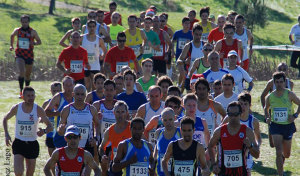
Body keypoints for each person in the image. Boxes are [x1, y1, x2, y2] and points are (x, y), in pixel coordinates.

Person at [3, 86, 53, 176]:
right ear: (23, 96)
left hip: (32, 144)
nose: (31, 98)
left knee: (29, 173)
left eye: (32, 96)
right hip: (19, 142)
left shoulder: (38, 109)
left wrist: (44, 131)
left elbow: (50, 126)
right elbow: (5, 119)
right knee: (18, 172)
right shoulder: (17, 108)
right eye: (28, 96)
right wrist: (6, 134)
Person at [58, 84, 100, 175]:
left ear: (86, 95)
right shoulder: (67, 109)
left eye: (82, 94)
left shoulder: (91, 109)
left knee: (86, 174)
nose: (80, 97)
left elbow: (97, 124)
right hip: (72, 146)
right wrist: (61, 130)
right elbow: (60, 129)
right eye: (77, 94)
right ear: (73, 94)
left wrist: (96, 138)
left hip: (88, 146)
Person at [208, 101, 260, 176]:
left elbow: (257, 155)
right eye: (230, 115)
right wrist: (213, 164)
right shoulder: (219, 131)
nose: (233, 117)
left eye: (235, 115)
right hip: (223, 172)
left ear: (240, 114)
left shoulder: (247, 131)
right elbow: (210, 146)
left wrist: (250, 147)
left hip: (241, 172)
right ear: (227, 115)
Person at [264, 72, 300, 176]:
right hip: (276, 126)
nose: (279, 84)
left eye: (281, 82)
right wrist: (267, 117)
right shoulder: (270, 97)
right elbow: (265, 108)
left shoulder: (289, 94)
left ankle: (283, 159)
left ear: (285, 82)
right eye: (277, 82)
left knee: (287, 154)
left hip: (288, 126)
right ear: (274, 83)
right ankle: (280, 174)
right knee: (278, 151)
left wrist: (295, 115)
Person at [222, 92, 262, 175]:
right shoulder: (229, 118)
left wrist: (255, 147)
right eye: (241, 104)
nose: (243, 107)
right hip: (231, 153)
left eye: (245, 104)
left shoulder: (254, 121)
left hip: (247, 156)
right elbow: (221, 133)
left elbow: (258, 137)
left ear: (250, 105)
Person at [261, 63, 294, 148]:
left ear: (287, 71)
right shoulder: (271, 83)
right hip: (273, 114)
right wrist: (266, 111)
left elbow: (291, 98)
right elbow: (262, 96)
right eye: (280, 69)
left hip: (286, 115)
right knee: (272, 144)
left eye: (284, 69)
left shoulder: (290, 83)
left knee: (281, 142)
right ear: (276, 70)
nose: (282, 71)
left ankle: (281, 153)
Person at [10, 14, 42, 98]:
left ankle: (26, 91)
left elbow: (39, 41)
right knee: (22, 71)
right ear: (21, 22)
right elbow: (12, 35)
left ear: (28, 22)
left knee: (27, 75)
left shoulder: (32, 31)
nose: (24, 24)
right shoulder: (18, 30)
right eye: (23, 22)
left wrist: (34, 43)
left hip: (29, 55)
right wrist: (11, 46)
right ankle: (21, 91)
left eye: (26, 22)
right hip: (19, 54)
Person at [99, 101, 132, 175]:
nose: (120, 115)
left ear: (126, 113)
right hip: (116, 165)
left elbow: (144, 143)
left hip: (131, 163)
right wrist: (103, 156)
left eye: (122, 112)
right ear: (114, 113)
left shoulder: (132, 128)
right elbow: (101, 147)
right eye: (118, 112)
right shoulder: (109, 130)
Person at [45, 76, 74, 148]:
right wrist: (58, 113)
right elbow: (46, 112)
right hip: (60, 133)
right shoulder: (59, 97)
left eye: (70, 85)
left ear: (73, 85)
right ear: (63, 86)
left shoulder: (77, 96)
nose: (69, 88)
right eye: (66, 85)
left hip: (74, 133)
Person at [154, 108, 182, 176]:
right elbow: (156, 150)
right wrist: (152, 165)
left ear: (174, 118)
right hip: (161, 172)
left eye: (170, 119)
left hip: (176, 172)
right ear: (162, 120)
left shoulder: (180, 132)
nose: (168, 123)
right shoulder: (158, 133)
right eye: (165, 120)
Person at [177, 24, 204, 92]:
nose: (198, 37)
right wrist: (184, 62)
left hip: (202, 76)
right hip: (190, 77)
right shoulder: (188, 46)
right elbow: (178, 61)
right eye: (196, 34)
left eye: (200, 35)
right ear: (192, 33)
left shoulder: (205, 45)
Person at [81, 20, 107, 91]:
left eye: (93, 26)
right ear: (87, 27)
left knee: (94, 84)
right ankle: (87, 99)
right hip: (85, 65)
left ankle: (93, 99)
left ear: (96, 27)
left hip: (95, 65)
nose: (91, 28)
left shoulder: (99, 39)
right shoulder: (82, 38)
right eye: (90, 26)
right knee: (86, 84)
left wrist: (102, 56)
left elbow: (105, 50)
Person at [42, 82, 62, 165]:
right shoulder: (47, 103)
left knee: (62, 159)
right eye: (54, 91)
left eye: (58, 91)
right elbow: (40, 116)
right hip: (50, 134)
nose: (56, 93)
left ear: (61, 90)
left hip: (61, 134)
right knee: (52, 160)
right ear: (50, 91)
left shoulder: (64, 102)